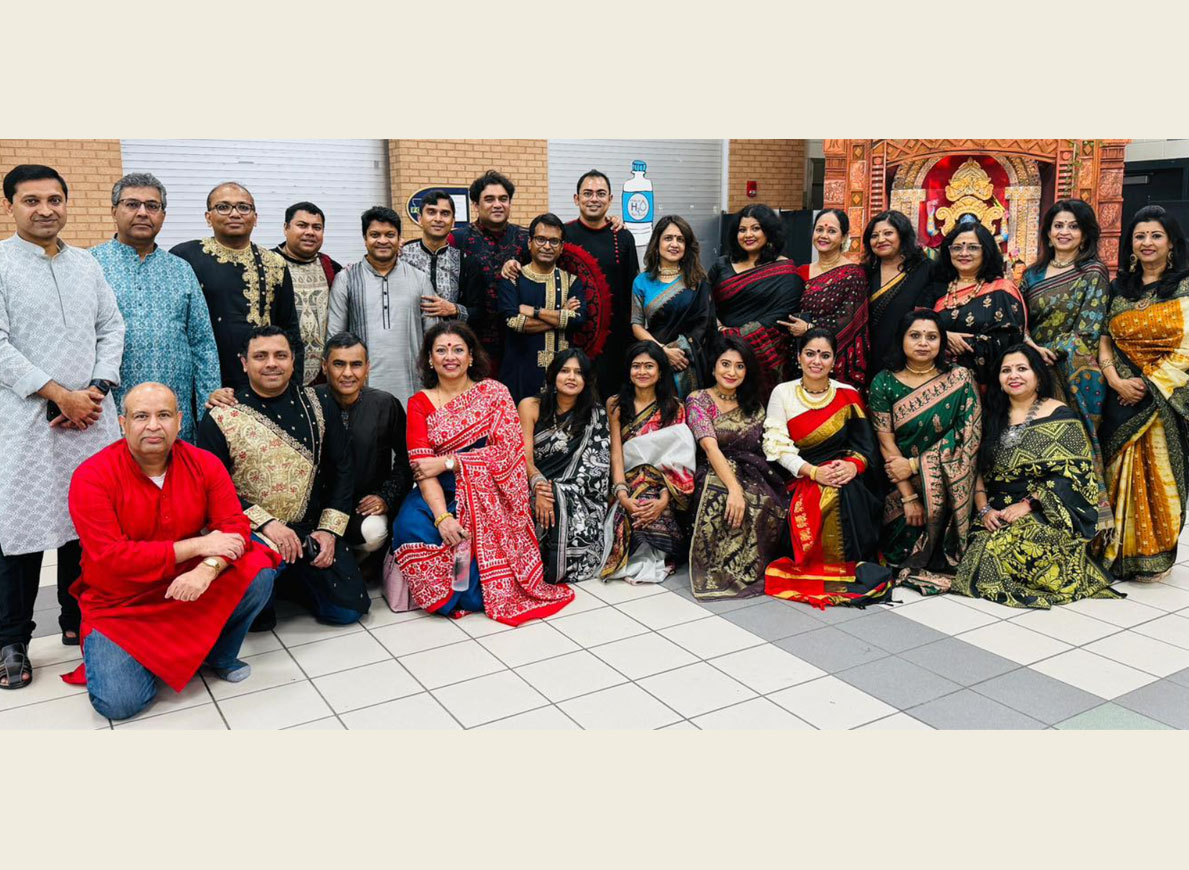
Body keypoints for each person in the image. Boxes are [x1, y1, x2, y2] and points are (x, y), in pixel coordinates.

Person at [64, 383, 280, 719]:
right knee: (119, 704)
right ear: (122, 423)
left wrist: (207, 568)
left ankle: (218, 654)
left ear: (179, 421)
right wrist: (200, 545)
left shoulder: (204, 463)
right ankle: (160, 657)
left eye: (163, 415)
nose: (153, 426)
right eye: (141, 416)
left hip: (187, 587)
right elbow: (111, 558)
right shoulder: (91, 477)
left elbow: (234, 526)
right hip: (122, 606)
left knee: (258, 565)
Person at [0, 164, 125, 688]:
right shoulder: (2, 263)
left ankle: (79, 619)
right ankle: (12, 640)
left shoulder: (86, 264)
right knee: (22, 532)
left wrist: (95, 389)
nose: (45, 210)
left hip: (92, 417)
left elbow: (112, 326)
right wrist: (58, 394)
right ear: (10, 205)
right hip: (27, 420)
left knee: (87, 523)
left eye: (54, 199)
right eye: (32, 200)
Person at [391, 321, 574, 622]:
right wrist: (443, 518)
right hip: (438, 492)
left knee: (480, 581)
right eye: (441, 350)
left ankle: (468, 592)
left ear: (471, 356)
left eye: (458, 350)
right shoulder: (420, 403)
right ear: (430, 359)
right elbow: (423, 469)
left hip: (490, 493)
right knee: (409, 526)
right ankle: (447, 594)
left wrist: (451, 462)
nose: (450, 357)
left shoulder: (494, 393)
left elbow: (509, 453)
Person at [196, 326, 369, 629]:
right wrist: (268, 525)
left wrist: (328, 531)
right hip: (253, 531)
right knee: (257, 618)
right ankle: (272, 581)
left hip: (310, 529)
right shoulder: (221, 415)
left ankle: (290, 580)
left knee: (346, 611)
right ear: (244, 363)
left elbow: (342, 470)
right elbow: (211, 490)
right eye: (260, 356)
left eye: (280, 355)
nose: (271, 363)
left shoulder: (320, 402)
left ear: (293, 361)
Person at [953, 345, 1119, 608]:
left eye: (1022, 369)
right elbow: (975, 469)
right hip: (997, 507)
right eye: (1006, 370)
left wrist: (1028, 504)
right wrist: (984, 510)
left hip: (1047, 510)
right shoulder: (989, 416)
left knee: (1017, 547)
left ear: (1038, 376)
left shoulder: (1059, 414)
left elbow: (1076, 476)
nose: (1013, 376)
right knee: (983, 546)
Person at [92, 172, 222, 442]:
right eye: (132, 204)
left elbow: (202, 343)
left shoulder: (180, 269)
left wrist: (209, 416)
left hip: (172, 407)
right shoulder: (89, 264)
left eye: (152, 206)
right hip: (108, 408)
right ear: (114, 211)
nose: (142, 213)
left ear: (163, 215)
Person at [1100, 205, 1189, 581]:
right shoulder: (1119, 288)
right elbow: (1104, 338)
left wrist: (1149, 384)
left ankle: (1150, 553)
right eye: (1139, 236)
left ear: (1171, 243)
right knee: (1114, 473)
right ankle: (1114, 551)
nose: (1147, 242)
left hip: (1164, 397)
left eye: (1155, 235)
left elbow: (1186, 347)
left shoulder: (1185, 286)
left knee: (1158, 475)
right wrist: (1114, 379)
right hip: (1118, 395)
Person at [763, 329, 886, 601]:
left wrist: (853, 466)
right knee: (820, 495)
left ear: (834, 361)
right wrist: (813, 472)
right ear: (799, 357)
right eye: (810, 353)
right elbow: (777, 446)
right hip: (799, 474)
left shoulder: (848, 394)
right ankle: (817, 568)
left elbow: (865, 446)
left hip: (842, 470)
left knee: (848, 490)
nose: (816, 361)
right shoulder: (782, 393)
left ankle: (851, 568)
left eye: (825, 355)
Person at [868, 311, 981, 593]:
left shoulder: (960, 378)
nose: (923, 343)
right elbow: (886, 443)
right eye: (915, 335)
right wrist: (909, 497)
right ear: (901, 339)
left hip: (952, 481)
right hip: (900, 482)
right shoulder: (883, 382)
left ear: (942, 342)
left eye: (932, 337)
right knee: (897, 550)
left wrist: (916, 465)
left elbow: (967, 437)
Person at [1019, 199, 1112, 531]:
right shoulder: (1031, 274)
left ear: (1085, 234)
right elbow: (1019, 319)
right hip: (1029, 371)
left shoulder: (1093, 272)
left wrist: (1049, 351)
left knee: (1067, 451)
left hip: (1071, 373)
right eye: (1058, 225)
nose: (1064, 232)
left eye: (1073, 226)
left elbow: (1089, 329)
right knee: (1030, 448)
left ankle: (1076, 527)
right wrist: (1030, 347)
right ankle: (1029, 522)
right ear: (1047, 232)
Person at [171, 182, 301, 391]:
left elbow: (289, 327)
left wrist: (293, 387)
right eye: (223, 207)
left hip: (261, 381)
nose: (234, 214)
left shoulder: (274, 263)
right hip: (202, 381)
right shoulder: (185, 257)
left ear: (255, 218)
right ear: (208, 217)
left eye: (243, 207)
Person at [685, 335, 786, 599]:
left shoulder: (754, 406)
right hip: (711, 467)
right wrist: (734, 489)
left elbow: (763, 448)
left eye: (740, 366)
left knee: (762, 499)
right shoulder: (698, 400)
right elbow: (710, 447)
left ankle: (748, 567)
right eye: (725, 364)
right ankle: (716, 567)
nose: (732, 372)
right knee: (719, 494)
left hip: (752, 469)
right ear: (713, 367)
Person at [601, 342, 696, 584]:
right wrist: (622, 495)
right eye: (636, 366)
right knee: (634, 504)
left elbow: (677, 459)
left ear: (660, 371)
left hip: (663, 485)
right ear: (628, 371)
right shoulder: (615, 404)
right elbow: (616, 454)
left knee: (650, 502)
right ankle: (635, 554)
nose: (642, 372)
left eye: (649, 366)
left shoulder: (674, 407)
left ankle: (657, 553)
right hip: (625, 480)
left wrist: (663, 500)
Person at [327, 206, 438, 407]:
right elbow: (335, 338)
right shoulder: (346, 279)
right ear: (365, 238)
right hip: (360, 393)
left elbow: (433, 335)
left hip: (412, 389)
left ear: (399, 238)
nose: (383, 241)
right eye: (375, 235)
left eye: (390, 235)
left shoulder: (419, 279)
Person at [518, 348, 610, 584]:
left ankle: (552, 563)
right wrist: (540, 486)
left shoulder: (596, 415)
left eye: (578, 373)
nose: (571, 377)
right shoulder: (530, 406)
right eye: (565, 371)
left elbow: (597, 470)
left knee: (561, 503)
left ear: (587, 380)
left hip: (578, 495)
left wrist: (556, 491)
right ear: (553, 375)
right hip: (533, 483)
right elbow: (524, 458)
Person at [318, 332, 411, 562]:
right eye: (339, 364)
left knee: (373, 532)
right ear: (324, 366)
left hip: (363, 506)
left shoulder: (385, 404)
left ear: (367, 367)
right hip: (319, 508)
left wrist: (385, 496)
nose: (348, 373)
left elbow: (406, 458)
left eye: (356, 364)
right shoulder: (310, 402)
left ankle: (363, 562)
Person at [708, 204, 801, 390]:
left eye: (755, 228)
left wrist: (736, 336)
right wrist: (719, 329)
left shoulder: (784, 270)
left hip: (762, 354)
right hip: (720, 348)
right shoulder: (722, 264)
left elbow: (781, 315)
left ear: (769, 232)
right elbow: (705, 301)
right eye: (742, 230)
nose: (748, 235)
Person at [564, 170, 640, 397]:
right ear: (576, 198)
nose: (594, 199)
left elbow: (632, 290)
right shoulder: (563, 234)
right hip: (572, 334)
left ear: (610, 199)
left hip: (615, 339)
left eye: (600, 193)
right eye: (587, 193)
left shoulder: (623, 237)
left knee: (612, 398)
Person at [497, 213, 587, 403]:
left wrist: (535, 312)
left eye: (554, 241)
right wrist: (561, 315)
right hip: (520, 373)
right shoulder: (513, 278)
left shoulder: (571, 281)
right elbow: (514, 322)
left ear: (561, 247)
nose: (547, 246)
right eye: (541, 239)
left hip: (564, 378)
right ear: (529, 242)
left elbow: (578, 319)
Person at [928, 217, 1027, 387]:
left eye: (973, 247)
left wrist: (963, 344)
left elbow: (1011, 341)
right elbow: (915, 328)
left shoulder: (1002, 290)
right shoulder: (936, 290)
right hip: (937, 384)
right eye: (957, 247)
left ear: (986, 251)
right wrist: (943, 336)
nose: (964, 253)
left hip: (989, 386)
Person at [783, 209, 870, 390]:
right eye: (819, 229)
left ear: (844, 237)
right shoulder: (800, 272)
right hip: (799, 356)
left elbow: (849, 320)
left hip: (834, 359)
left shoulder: (853, 274)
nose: (823, 235)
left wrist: (809, 328)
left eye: (831, 231)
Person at [630, 215, 714, 398]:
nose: (674, 244)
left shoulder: (697, 281)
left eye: (680, 239)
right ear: (657, 243)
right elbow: (636, 324)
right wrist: (662, 351)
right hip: (653, 359)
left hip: (688, 361)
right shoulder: (642, 281)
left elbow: (704, 324)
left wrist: (680, 350)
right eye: (668, 238)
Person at [449, 171, 528, 366]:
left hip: (518, 340)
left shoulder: (526, 239)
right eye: (489, 199)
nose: (498, 205)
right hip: (471, 342)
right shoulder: (457, 239)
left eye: (503, 199)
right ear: (476, 205)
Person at [273, 201, 342, 386]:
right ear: (286, 228)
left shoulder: (332, 268)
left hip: (323, 379)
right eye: (302, 225)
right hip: (277, 373)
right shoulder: (268, 265)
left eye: (316, 227)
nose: (310, 232)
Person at [862, 209, 935, 369]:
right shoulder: (865, 273)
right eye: (874, 236)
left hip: (911, 358)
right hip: (868, 358)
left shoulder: (926, 269)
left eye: (888, 233)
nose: (881, 240)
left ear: (903, 235)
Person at [400, 189, 483, 326]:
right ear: (420, 219)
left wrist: (454, 309)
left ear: (453, 221)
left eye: (445, 214)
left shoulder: (465, 261)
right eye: (431, 212)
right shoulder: (402, 255)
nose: (438, 219)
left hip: (449, 336)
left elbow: (479, 311)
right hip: (409, 335)